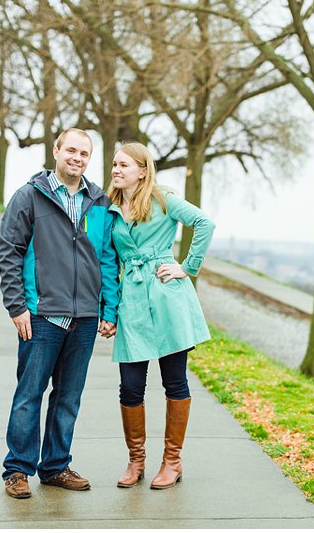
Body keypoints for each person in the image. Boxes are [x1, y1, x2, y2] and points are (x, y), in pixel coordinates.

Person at [0, 127, 119, 499]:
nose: (77, 158)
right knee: (29, 394)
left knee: (68, 397)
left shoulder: (98, 203)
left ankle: (55, 466)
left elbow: (107, 259)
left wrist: (108, 309)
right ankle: (17, 469)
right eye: (71, 150)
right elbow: (9, 251)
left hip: (83, 319)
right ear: (56, 151)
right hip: (41, 316)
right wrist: (16, 306)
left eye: (84, 153)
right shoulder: (29, 197)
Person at [107, 142, 215, 490]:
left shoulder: (163, 199)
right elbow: (107, 262)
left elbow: (204, 223)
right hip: (133, 301)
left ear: (142, 170)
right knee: (131, 386)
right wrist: (106, 310)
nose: (117, 170)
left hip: (167, 297)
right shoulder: (108, 209)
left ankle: (172, 461)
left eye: (124, 165)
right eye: (114, 164)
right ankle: (136, 460)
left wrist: (187, 267)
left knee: (174, 381)